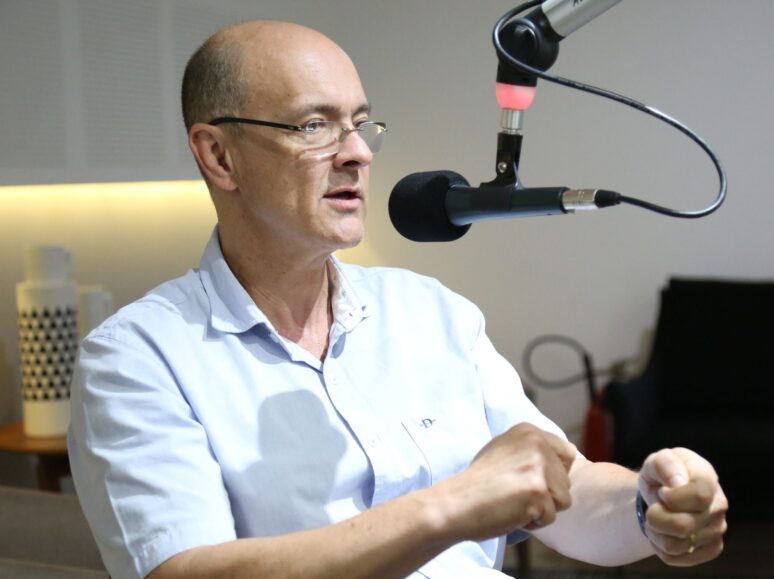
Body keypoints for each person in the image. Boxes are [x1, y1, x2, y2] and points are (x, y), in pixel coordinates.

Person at [67, 20, 727, 579]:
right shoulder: (138, 359)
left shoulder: (429, 312)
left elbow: (565, 489)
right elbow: (186, 571)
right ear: (218, 156)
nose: (357, 153)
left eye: (359, 124)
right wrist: (452, 506)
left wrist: (652, 505)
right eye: (315, 126)